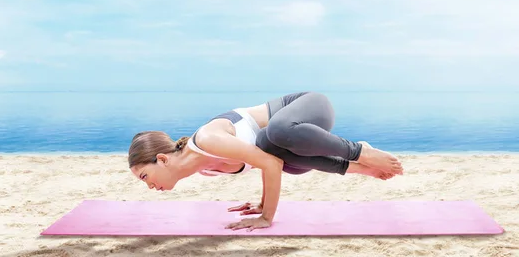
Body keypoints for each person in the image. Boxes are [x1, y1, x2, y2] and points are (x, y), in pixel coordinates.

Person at [128, 91, 404, 231]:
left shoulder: (208, 141)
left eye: (144, 177)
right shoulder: (206, 170)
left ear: (162, 159)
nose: (149, 186)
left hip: (310, 108)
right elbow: (273, 161)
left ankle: (359, 151)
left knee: (274, 135)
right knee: (282, 157)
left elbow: (269, 165)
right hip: (303, 140)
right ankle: (357, 167)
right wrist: (261, 203)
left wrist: (266, 217)